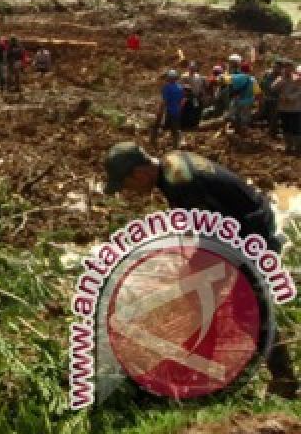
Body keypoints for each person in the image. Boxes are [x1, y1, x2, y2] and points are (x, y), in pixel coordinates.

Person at [103, 142, 299, 398]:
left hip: (251, 233)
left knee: (244, 308)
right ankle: (204, 372)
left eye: (126, 185)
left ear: (138, 174)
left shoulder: (179, 182)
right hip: (245, 225)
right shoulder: (172, 165)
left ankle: (282, 380)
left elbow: (216, 231)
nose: (129, 191)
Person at [152, 69, 185, 148]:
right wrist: (179, 109)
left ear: (168, 78)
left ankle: (154, 143)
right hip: (177, 111)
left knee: (161, 127)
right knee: (175, 129)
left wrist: (160, 111)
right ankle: (176, 145)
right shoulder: (180, 88)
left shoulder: (167, 88)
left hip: (169, 111)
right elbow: (182, 101)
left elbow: (164, 101)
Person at [226, 54, 257, 138]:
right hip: (247, 102)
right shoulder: (252, 79)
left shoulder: (234, 76)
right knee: (244, 119)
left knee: (234, 117)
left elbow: (224, 81)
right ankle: (243, 134)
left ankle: (236, 132)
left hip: (236, 100)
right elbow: (258, 92)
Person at [276, 62, 301, 154]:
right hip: (283, 108)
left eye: (289, 67)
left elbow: (298, 92)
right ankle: (288, 146)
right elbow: (273, 88)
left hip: (295, 109)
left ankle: (298, 147)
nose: (287, 69)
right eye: (285, 67)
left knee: (296, 129)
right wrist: (282, 80)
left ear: (293, 69)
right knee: (285, 128)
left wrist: (288, 98)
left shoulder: (298, 79)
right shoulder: (280, 79)